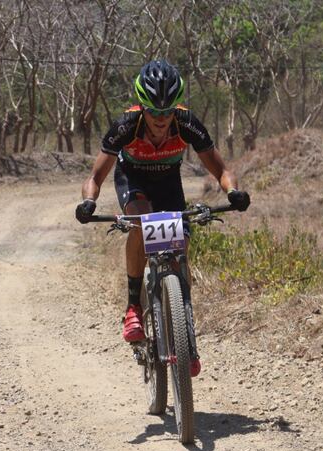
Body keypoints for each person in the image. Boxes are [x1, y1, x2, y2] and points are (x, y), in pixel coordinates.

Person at [75, 60, 250, 373]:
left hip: (168, 183)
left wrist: (233, 192)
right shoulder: (126, 125)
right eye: (153, 111)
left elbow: (222, 170)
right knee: (141, 225)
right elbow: (95, 176)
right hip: (133, 181)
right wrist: (89, 201)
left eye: (167, 112)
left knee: (180, 251)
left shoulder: (186, 123)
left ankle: (185, 335)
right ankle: (133, 305)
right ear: (142, 107)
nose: (161, 119)